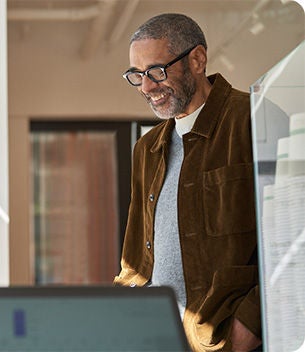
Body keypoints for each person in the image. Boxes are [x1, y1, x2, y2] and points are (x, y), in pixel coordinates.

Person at [114, 13, 262, 352]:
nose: (147, 87)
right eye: (137, 76)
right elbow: (135, 260)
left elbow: (293, 242)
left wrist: (247, 329)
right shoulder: (146, 149)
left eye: (156, 71)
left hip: (223, 341)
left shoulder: (252, 120)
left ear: (197, 59)